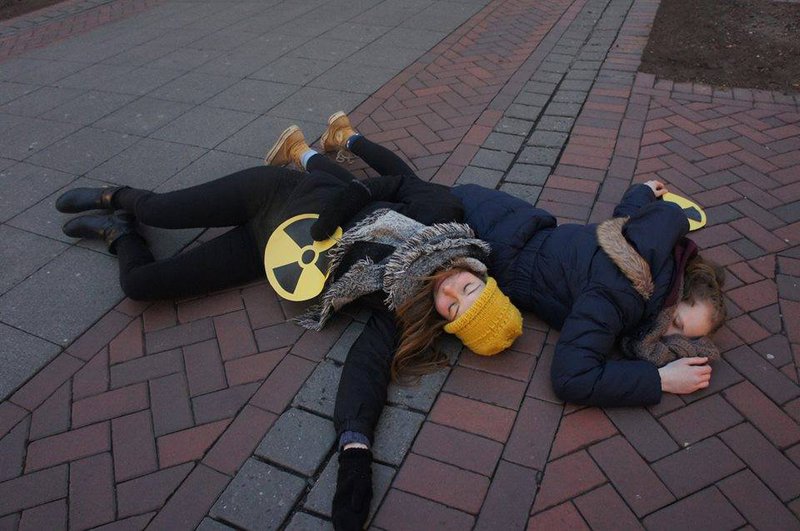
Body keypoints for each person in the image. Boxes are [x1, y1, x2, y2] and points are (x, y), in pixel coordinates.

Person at [55, 111, 523, 531]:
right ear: (480, 274)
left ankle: (118, 233)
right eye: (468, 289)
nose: (450, 293)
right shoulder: (446, 218)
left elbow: (368, 369)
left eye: (455, 310)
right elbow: (399, 184)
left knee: (141, 286)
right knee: (158, 209)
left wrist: (355, 454)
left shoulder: (404, 304)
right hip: (279, 193)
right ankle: (115, 195)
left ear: (446, 322)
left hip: (271, 254)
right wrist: (345, 203)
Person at [315, 129, 727, 409]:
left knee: (413, 185)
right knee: (387, 205)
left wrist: (640, 193)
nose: (671, 340)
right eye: (675, 323)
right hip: (483, 236)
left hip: (510, 217)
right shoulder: (619, 294)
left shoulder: (651, 246)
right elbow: (571, 377)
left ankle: (348, 138)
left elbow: (621, 222)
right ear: (674, 295)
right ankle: (318, 159)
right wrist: (658, 382)